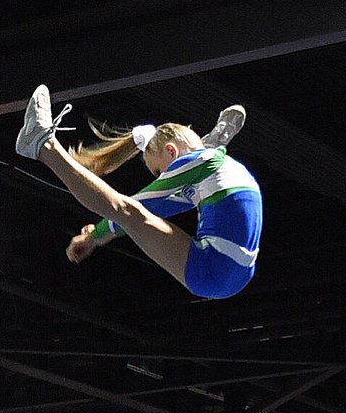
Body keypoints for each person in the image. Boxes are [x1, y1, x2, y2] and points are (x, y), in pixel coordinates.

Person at [16, 85, 259, 300]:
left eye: (158, 171)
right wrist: (101, 234)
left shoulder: (197, 164)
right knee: (133, 214)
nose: (161, 178)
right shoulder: (204, 169)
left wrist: (95, 236)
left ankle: (42, 145)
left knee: (126, 210)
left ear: (172, 152)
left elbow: (133, 207)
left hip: (217, 270)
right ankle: (217, 137)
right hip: (225, 270)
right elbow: (157, 208)